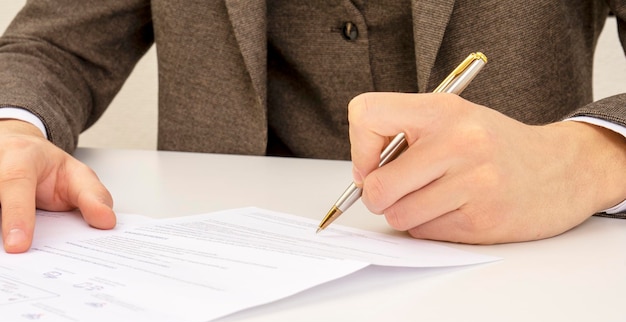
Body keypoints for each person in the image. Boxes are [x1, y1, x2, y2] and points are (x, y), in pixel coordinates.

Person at [0, 0, 625, 253]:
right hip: (224, 290)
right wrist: (13, 128)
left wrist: (587, 158)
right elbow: (53, 47)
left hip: (530, 280)